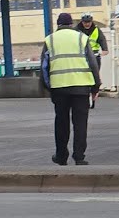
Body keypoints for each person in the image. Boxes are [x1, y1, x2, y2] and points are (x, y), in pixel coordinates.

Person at [41, 12, 102, 166]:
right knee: (80, 123)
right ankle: (79, 156)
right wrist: (96, 86)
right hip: (81, 87)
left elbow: (44, 67)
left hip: (59, 88)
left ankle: (61, 156)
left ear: (58, 24)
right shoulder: (82, 38)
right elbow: (93, 63)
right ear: (71, 24)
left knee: (61, 123)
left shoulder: (50, 40)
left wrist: (48, 87)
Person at [77, 13, 108, 109]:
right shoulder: (76, 30)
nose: (87, 24)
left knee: (96, 77)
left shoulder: (97, 30)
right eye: (85, 22)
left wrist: (103, 51)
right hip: (81, 56)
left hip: (94, 56)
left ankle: (94, 94)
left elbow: (103, 42)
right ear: (82, 22)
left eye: (89, 22)